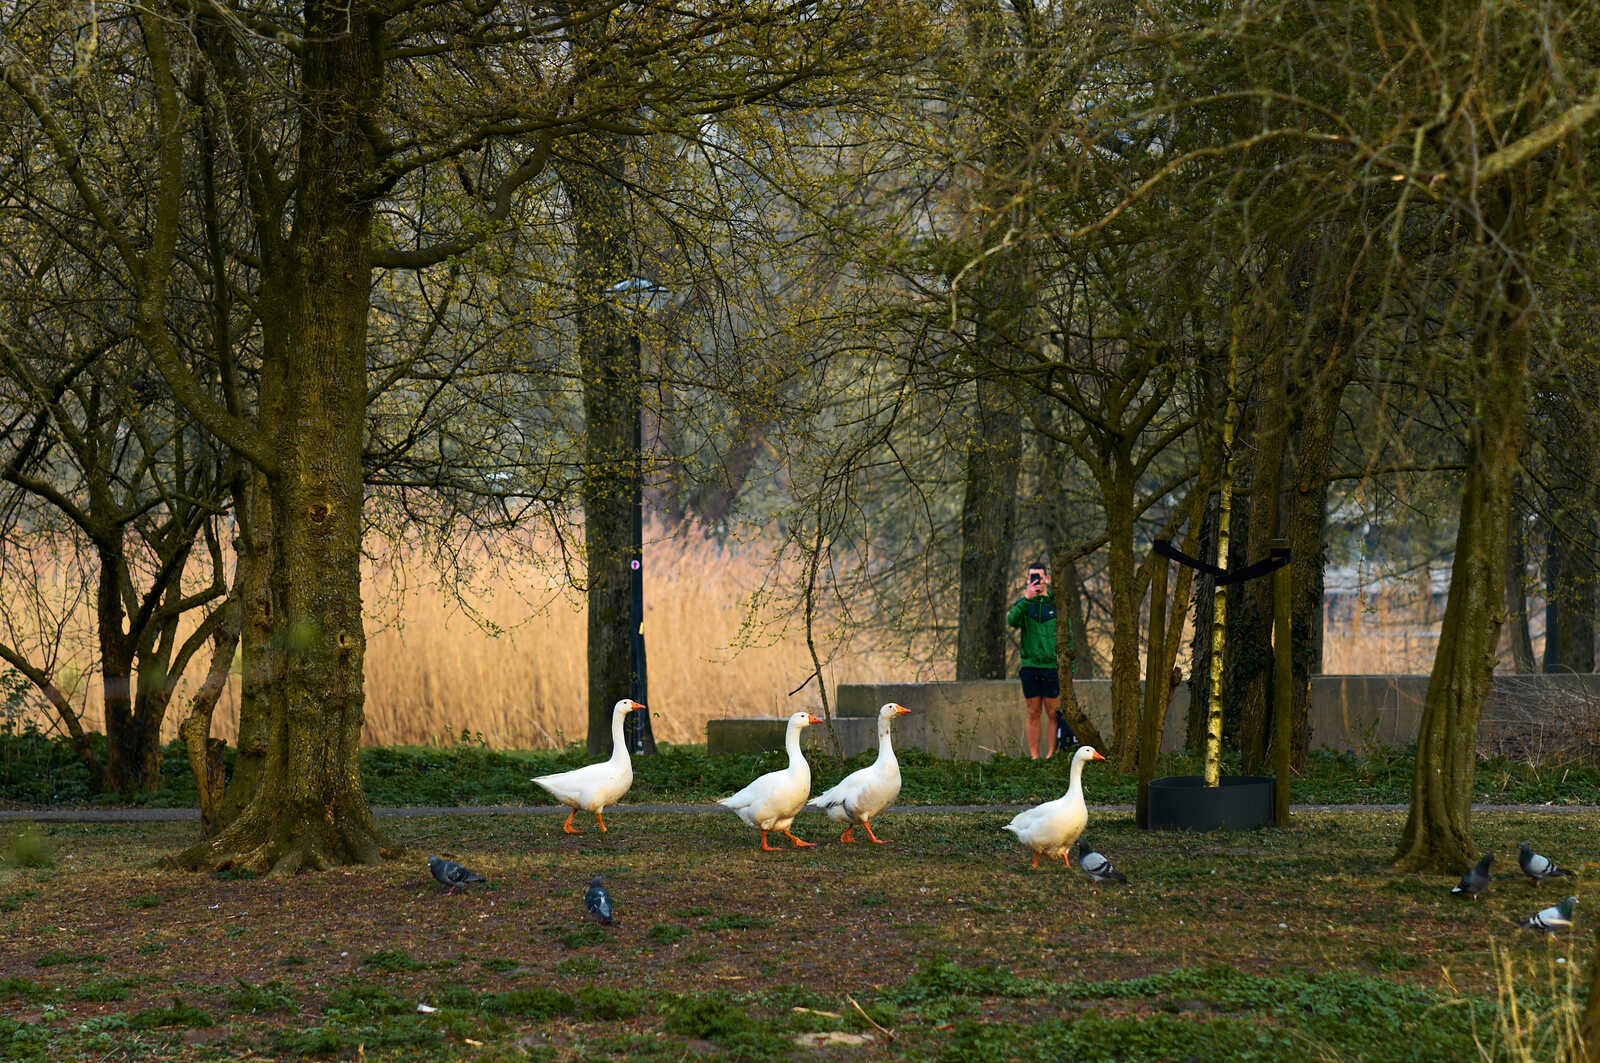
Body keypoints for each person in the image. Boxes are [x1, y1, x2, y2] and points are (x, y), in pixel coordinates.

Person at [1006, 561, 1074, 759]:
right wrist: (1027, 598)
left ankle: (1051, 756)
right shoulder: (1024, 604)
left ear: (1047, 579)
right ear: (1027, 580)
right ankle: (1034, 757)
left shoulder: (1057, 604)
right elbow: (1011, 621)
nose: (1037, 580)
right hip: (1030, 667)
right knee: (1033, 712)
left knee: (1053, 713)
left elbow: (1067, 637)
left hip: (1052, 668)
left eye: (1040, 576)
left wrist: (1071, 671)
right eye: (1032, 577)